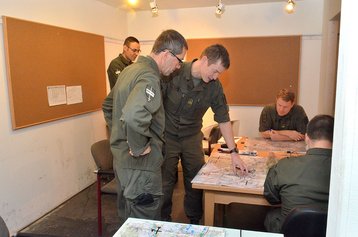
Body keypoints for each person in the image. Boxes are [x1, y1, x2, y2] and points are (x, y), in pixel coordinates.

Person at [102, 29, 188, 222]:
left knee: (129, 223)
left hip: (123, 163)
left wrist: (122, 133)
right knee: (144, 223)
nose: (178, 67)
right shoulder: (149, 76)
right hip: (141, 168)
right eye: (179, 60)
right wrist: (138, 146)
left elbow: (108, 106)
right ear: (167, 54)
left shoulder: (128, 71)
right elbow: (133, 115)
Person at [161, 44, 248, 224]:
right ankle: (163, 222)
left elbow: (223, 119)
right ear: (205, 60)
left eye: (219, 74)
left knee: (195, 182)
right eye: (215, 71)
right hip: (166, 136)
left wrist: (234, 153)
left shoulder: (215, 87)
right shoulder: (174, 71)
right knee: (164, 183)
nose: (216, 77)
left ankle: (194, 221)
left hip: (192, 137)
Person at [263, 114, 334, 233]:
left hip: (291, 230)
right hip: (331, 231)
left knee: (271, 216)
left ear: (306, 137)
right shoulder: (348, 173)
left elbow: (271, 197)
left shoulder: (284, 165)